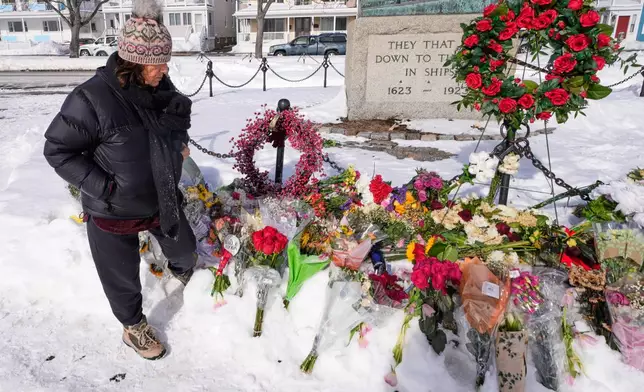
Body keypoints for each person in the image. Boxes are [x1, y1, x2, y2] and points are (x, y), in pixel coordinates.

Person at [43, 0, 196, 361]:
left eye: (165, 61)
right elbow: (58, 151)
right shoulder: (91, 99)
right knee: (121, 278)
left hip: (161, 198)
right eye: (158, 63)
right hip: (114, 211)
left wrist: (179, 149)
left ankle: (183, 278)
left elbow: (162, 132)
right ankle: (133, 327)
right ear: (135, 62)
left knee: (186, 254)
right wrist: (106, 189)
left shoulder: (159, 90)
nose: (164, 69)